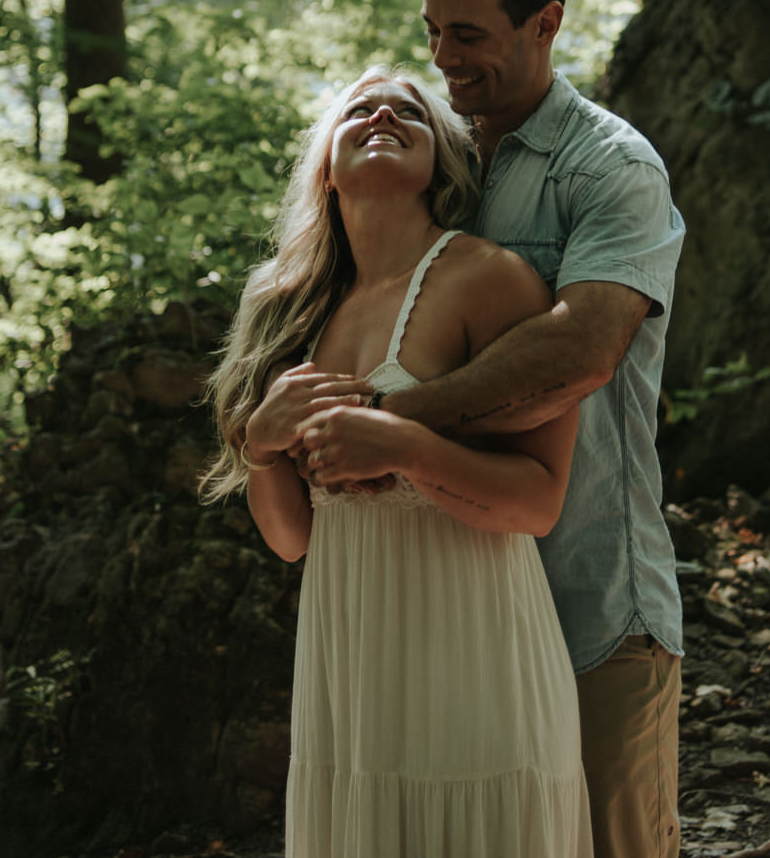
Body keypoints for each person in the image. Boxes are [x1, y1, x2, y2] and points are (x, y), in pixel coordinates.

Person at [309, 0, 688, 858]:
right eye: (433, 33)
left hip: (595, 602)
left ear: (545, 22)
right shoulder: (443, 164)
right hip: (453, 608)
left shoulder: (610, 170)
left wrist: (390, 424)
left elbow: (582, 349)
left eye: (469, 34)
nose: (444, 58)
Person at [198, 65, 595, 858]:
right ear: (325, 167)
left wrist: (407, 444)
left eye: (407, 108)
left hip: (475, 656)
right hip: (351, 674)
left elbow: (539, 502)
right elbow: (290, 538)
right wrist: (260, 440)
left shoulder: (489, 277)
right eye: (359, 110)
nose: (382, 113)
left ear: (443, 157)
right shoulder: (289, 312)